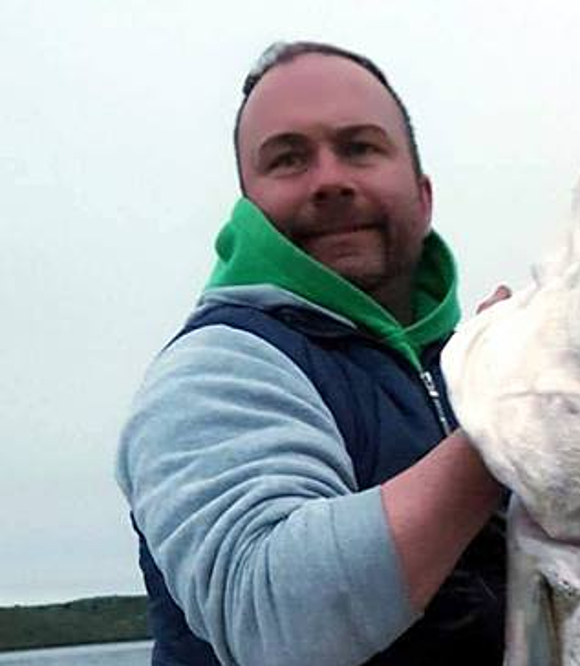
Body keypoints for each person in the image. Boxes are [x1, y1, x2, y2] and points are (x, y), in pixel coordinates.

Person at [116, 41, 509, 666]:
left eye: (359, 147)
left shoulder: (473, 368)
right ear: (250, 209)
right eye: (289, 159)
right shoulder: (214, 370)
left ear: (424, 195)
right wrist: (507, 422)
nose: (329, 180)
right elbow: (277, 619)